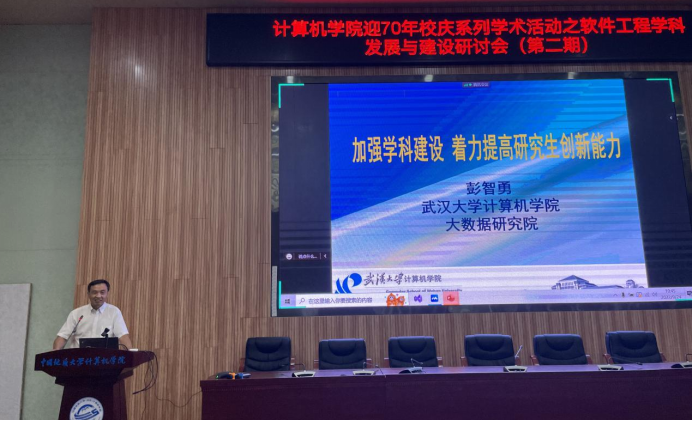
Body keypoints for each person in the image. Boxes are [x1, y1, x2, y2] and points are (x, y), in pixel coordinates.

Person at [53, 279, 133, 350]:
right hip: (79, 358)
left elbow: (123, 337)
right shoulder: (76, 313)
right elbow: (62, 337)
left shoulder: (114, 312)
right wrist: (55, 354)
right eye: (94, 292)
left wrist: (131, 356)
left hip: (105, 358)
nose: (98, 296)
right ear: (88, 294)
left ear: (107, 294)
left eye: (102, 292)